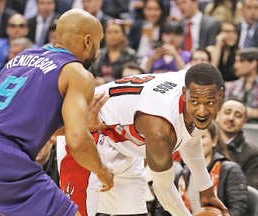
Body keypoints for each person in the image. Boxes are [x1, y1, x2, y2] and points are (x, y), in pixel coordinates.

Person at [0, 9, 113, 215]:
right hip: (0, 159)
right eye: (99, 43)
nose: (98, 51)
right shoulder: (76, 72)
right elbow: (78, 141)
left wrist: (81, 124)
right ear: (88, 41)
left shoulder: (21, 58)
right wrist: (103, 172)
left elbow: (17, 120)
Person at [60, 63, 229, 216]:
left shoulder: (197, 83)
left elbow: (191, 141)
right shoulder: (160, 132)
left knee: (135, 213)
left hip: (124, 143)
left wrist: (207, 190)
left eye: (209, 102)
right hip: (89, 130)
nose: (201, 111)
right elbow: (164, 191)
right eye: (195, 102)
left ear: (220, 95)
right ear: (184, 94)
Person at [177, 121, 248, 216]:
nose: (195, 143)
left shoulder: (230, 170)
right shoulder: (181, 173)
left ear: (214, 141)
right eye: (190, 138)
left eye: (202, 137)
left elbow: (238, 209)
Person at [216, 99, 258, 189]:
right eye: (227, 112)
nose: (231, 118)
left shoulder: (253, 154)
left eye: (238, 115)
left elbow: (250, 191)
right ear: (217, 115)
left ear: (244, 122)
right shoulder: (204, 144)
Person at [224, 47, 258, 123]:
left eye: (241, 61)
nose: (235, 66)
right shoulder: (231, 87)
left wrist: (254, 113)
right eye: (236, 61)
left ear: (253, 63)